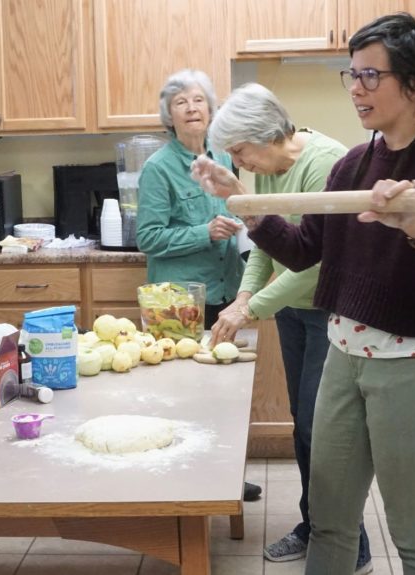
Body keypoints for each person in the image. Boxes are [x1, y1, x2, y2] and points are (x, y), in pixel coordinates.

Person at [193, 13, 415, 574]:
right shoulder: (356, 163)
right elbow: (306, 248)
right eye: (350, 75)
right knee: (330, 520)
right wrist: (243, 199)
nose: (356, 88)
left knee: (414, 531)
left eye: (370, 76)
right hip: (346, 354)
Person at [208, 83, 372, 573]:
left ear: (265, 135)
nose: (239, 163)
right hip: (294, 311)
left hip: (331, 311)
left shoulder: (325, 163)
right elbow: (265, 238)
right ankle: (314, 523)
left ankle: (349, 540)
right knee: (307, 427)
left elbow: (319, 263)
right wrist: (243, 296)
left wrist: (251, 307)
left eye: (240, 151)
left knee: (326, 431)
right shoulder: (270, 169)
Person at [135, 69, 259, 503]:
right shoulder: (158, 169)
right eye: (180, 102)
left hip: (225, 292)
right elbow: (147, 238)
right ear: (169, 116)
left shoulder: (223, 159)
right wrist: (204, 232)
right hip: (178, 304)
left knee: (225, 394)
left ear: (212, 109)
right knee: (182, 397)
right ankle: (181, 484)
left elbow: (236, 211)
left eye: (199, 100)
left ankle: (223, 479)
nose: (191, 108)